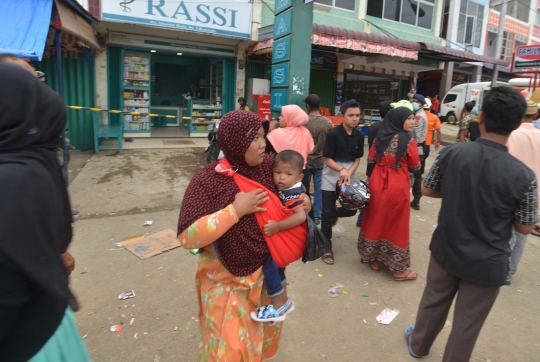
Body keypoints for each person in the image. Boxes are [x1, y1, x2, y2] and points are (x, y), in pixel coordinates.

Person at [405, 87, 537, 362]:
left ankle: (418, 346)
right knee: (467, 324)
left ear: (482, 118)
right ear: (516, 123)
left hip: (447, 247)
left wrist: (457, 191)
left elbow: (428, 190)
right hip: (488, 261)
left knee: (433, 301)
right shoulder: (525, 176)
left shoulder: (454, 153)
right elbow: (525, 228)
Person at [177, 110, 311, 360]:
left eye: (264, 136)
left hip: (265, 282)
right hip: (226, 284)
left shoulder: (270, 168)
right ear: (237, 141)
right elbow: (187, 237)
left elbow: (294, 188)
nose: (264, 144)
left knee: (256, 346)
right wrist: (235, 211)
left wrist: (304, 199)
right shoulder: (208, 180)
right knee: (228, 351)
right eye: (256, 138)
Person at [0, 64, 91, 361]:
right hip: (37, 335)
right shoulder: (23, 173)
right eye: (34, 79)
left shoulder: (25, 164)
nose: (42, 84)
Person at [357, 107, 421, 280]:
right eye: (408, 118)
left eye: (413, 118)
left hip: (378, 181)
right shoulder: (408, 140)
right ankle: (398, 269)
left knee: (376, 217)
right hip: (397, 184)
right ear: (399, 120)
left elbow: (371, 159)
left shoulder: (380, 138)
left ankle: (374, 259)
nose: (412, 122)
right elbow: (415, 167)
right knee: (396, 222)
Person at [251, 150, 307, 323]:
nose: (281, 178)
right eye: (278, 172)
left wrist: (277, 226)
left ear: (299, 177)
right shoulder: (289, 188)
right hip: (286, 242)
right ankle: (285, 302)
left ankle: (276, 307)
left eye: (288, 174)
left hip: (289, 239)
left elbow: (300, 216)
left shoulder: (292, 193)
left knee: (270, 268)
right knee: (279, 268)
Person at [321, 100, 365, 265]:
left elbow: (357, 160)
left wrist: (348, 174)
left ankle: (331, 214)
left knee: (351, 210)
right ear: (343, 116)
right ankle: (326, 247)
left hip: (348, 179)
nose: (355, 118)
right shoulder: (333, 134)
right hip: (330, 178)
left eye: (357, 115)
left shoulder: (360, 136)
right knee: (326, 215)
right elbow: (327, 159)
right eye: (351, 115)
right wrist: (341, 170)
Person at [506, 100, 540, 283]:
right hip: (534, 193)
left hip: (510, 190)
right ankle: (509, 272)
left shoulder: (511, 135)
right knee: (522, 234)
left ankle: (501, 268)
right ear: (535, 116)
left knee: (506, 230)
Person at [356, 100, 393, 227]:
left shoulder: (373, 127)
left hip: (371, 165)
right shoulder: (391, 128)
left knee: (367, 193)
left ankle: (361, 219)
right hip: (383, 167)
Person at [303, 94, 333, 225]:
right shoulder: (327, 123)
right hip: (321, 161)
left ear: (307, 106)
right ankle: (317, 217)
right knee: (319, 189)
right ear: (319, 106)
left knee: (304, 189)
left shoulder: (303, 121)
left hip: (305, 160)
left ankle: (306, 215)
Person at [266, 104, 314, 170]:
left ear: (290, 118)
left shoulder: (276, 134)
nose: (279, 118)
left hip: (281, 173)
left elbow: (264, 150)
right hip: (300, 171)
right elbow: (310, 149)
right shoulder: (305, 132)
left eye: (282, 116)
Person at [410, 94, 428, 211]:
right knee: (416, 175)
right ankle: (416, 199)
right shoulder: (418, 114)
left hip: (417, 148)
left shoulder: (419, 117)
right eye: (413, 100)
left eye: (416, 101)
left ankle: (416, 200)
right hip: (418, 147)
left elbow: (413, 132)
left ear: (421, 104)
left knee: (416, 175)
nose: (414, 103)